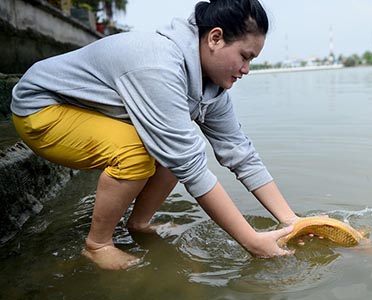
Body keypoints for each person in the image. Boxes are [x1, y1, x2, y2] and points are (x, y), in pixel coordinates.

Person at [11, 0, 299, 270]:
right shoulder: (158, 65)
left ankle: (140, 224)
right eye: (244, 57)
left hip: (92, 113)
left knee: (173, 145)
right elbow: (191, 167)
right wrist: (250, 241)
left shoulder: (213, 88)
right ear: (215, 38)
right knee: (137, 153)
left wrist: (292, 221)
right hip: (42, 108)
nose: (247, 69)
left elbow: (240, 153)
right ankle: (97, 245)